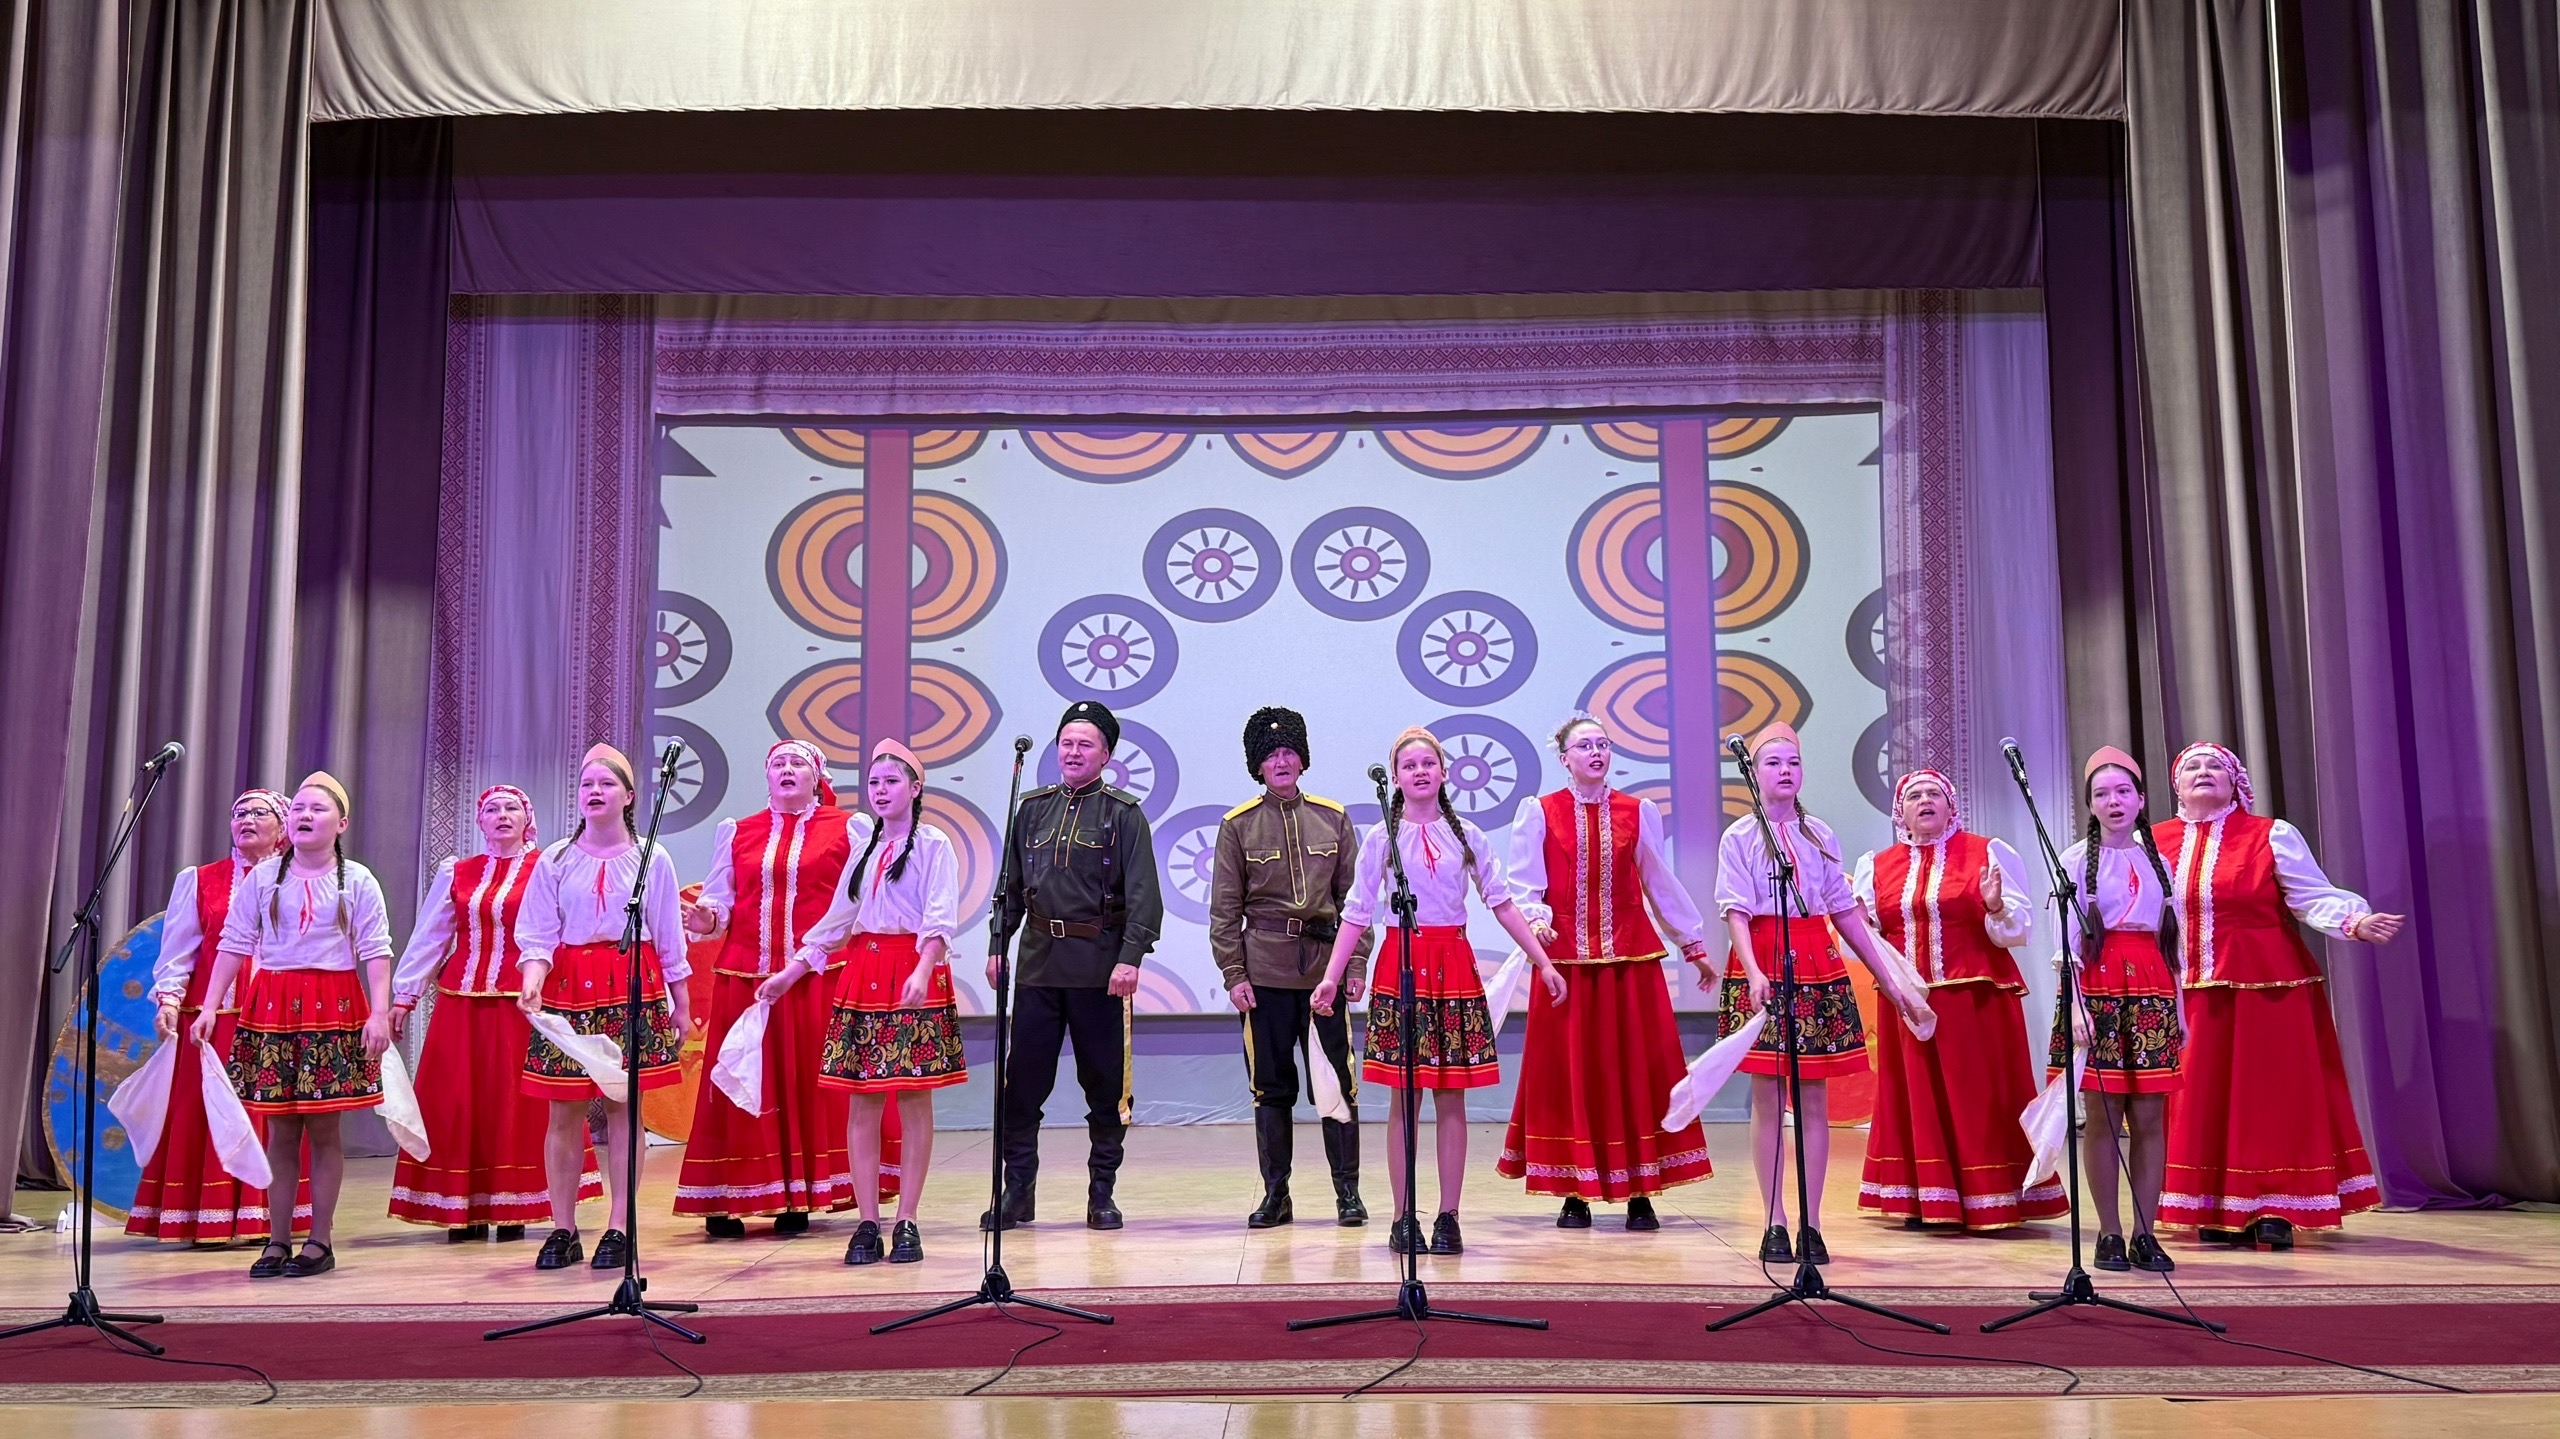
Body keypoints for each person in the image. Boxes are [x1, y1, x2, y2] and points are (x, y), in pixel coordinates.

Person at [1314, 726, 1566, 1256]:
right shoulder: (1381, 838)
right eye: (1409, 766)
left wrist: (1542, 961)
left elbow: (1501, 902)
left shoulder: (1467, 835)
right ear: (1396, 777)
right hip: (1401, 964)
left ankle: (1449, 1216)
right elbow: (1356, 912)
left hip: (1453, 964)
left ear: (1445, 772)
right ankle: (1403, 1216)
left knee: (1451, 1096)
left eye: (1428, 763)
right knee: (1403, 1098)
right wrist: (1332, 977)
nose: (1420, 772)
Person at [2156, 742, 2404, 1249]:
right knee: (2198, 1103)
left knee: (2270, 1101)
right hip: (2189, 995)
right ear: (2176, 785)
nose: (2204, 772)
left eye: (2216, 766)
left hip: (2269, 989)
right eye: (2192, 767)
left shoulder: (2270, 835)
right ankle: (2211, 1206)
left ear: (2235, 783)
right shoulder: (2152, 842)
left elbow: (2310, 895)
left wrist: (2353, 920)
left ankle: (2276, 1208)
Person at [1715, 723, 1935, 1267]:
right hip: (1763, 957)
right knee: (1768, 1097)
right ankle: (1774, 1218)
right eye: (1773, 763)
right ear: (1754, 773)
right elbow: (1735, 911)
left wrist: (1890, 982)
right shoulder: (1739, 836)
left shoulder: (1819, 834)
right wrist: (1753, 970)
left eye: (1793, 762)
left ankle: (1811, 1222)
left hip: (1815, 959)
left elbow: (1844, 911)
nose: (1785, 771)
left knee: (1813, 1098)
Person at [1498, 713, 1716, 1231]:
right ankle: (1576, 1191)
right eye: (1585, 746)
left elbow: (1659, 882)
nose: (1596, 753)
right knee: (1572, 1075)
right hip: (1566, 968)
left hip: (1628, 965)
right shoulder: (1540, 811)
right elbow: (1524, 884)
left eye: (1603, 744)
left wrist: (1693, 944)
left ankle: (1641, 1190)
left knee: (1636, 1072)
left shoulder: (1637, 812)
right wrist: (1537, 922)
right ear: (1564, 758)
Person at [763, 739, 966, 1265]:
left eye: (891, 782)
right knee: (862, 1100)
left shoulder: (934, 844)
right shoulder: (865, 847)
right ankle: (867, 1221)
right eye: (874, 783)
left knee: (913, 1099)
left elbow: (939, 917)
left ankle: (907, 1219)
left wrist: (923, 969)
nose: (880, 791)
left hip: (912, 970)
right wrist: (791, 972)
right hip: (864, 973)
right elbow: (836, 922)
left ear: (915, 788)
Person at [188, 773, 396, 1278]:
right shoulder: (264, 878)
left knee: (324, 1129)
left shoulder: (359, 880)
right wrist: (209, 1006)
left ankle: (319, 1240)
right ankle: (277, 1239)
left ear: (341, 824)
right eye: (299, 808)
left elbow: (376, 949)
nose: (305, 815)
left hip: (332, 1004)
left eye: (318, 809)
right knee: (280, 1130)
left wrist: (379, 1012)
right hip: (273, 1004)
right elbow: (234, 941)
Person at [1852, 769, 2063, 1232]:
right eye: (1914, 795)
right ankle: (1925, 1198)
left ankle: (1990, 1197)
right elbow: (1867, 936)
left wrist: (1994, 905)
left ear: (1952, 807)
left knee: (1977, 1099)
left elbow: (2017, 931)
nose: (1924, 801)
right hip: (1908, 1002)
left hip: (1974, 999)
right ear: (1900, 812)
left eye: (1934, 793)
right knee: (1915, 1099)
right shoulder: (1877, 865)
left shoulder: (1987, 853)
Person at [387, 785, 598, 1239]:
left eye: (512, 808)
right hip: (462, 1005)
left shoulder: (548, 866)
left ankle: (515, 1206)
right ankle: (461, 1207)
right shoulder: (459, 872)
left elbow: (561, 931)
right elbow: (432, 935)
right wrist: (405, 995)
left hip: (523, 1004)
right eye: (492, 809)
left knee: (519, 1105)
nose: (502, 815)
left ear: (527, 819)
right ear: (480, 820)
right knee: (458, 1103)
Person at [986, 700, 1164, 1231]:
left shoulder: (1123, 814)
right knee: (1022, 1088)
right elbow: (1009, 889)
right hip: (1038, 966)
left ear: (1106, 755)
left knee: (1105, 1090)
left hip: (1100, 970)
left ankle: (1101, 1194)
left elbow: (1145, 898)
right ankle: (1018, 1193)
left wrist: (1130, 958)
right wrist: (997, 945)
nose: (1072, 752)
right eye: (1066, 742)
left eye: (1085, 744)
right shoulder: (1031, 809)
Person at [514, 743, 693, 1272]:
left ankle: (619, 1225)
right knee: (563, 1110)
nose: (594, 791)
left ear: (629, 796)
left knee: (623, 1107)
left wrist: (681, 1005)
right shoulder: (555, 858)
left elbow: (669, 936)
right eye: (587, 784)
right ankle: (563, 1227)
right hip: (569, 985)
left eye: (606, 784)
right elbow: (537, 932)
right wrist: (532, 979)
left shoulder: (651, 857)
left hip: (631, 980)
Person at [677, 740, 861, 1236]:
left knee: (800, 1084)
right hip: (746, 978)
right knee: (737, 1082)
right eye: (777, 763)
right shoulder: (738, 831)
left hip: (812, 978)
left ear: (816, 776)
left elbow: (853, 904)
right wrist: (707, 918)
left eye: (797, 763)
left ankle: (795, 1197)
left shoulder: (848, 829)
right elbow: (721, 900)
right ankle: (725, 1196)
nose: (786, 770)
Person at [1209, 706, 1371, 1229]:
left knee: (1337, 1084)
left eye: (1288, 752)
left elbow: (1356, 902)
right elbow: (1224, 911)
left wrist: (1355, 964)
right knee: (1271, 1087)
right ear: (1256, 766)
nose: (1280, 761)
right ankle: (1276, 1196)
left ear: (1302, 760)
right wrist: (1234, 974)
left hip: (1324, 974)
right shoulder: (1237, 826)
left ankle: (1348, 1193)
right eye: (1269, 755)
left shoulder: (1333, 817)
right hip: (1264, 977)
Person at [138, 789, 309, 1245]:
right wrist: (169, 1000)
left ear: (283, 827)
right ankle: (202, 1218)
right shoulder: (201, 880)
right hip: (211, 1019)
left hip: (275, 1017)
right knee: (205, 1113)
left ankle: (265, 1219)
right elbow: (179, 949)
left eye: (259, 813)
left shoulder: (300, 878)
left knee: (267, 1115)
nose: (245, 820)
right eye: (238, 813)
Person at [2053, 747, 2185, 1272]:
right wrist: (2076, 1008)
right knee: (2104, 1117)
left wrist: (2180, 1010)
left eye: (2123, 792)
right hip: (2097, 988)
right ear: (2090, 804)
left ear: (2141, 800)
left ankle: (2144, 1233)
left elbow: (2173, 945)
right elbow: (2066, 944)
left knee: (2149, 1116)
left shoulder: (2160, 862)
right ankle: (2108, 1232)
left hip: (2152, 987)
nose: (2114, 802)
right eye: (2102, 794)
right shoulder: (2072, 861)